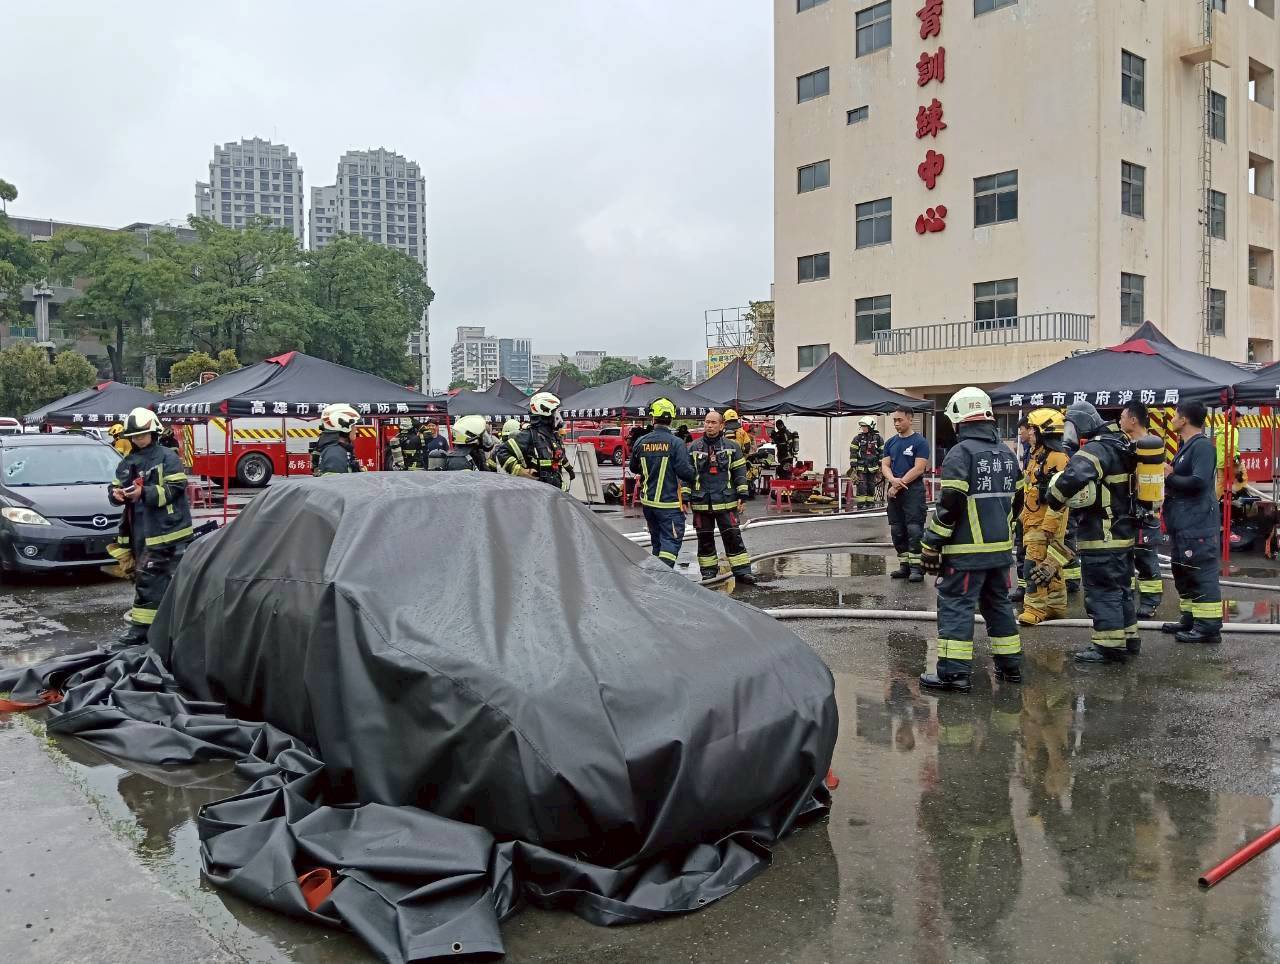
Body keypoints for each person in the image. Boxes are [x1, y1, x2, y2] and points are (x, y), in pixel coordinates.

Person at [918, 388, 1022, 692]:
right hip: (999, 552)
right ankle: (1011, 666)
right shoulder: (1006, 454)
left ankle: (953, 673)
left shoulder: (960, 454)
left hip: (965, 554)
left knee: (956, 606)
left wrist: (932, 541)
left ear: (959, 420)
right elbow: (1018, 502)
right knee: (998, 605)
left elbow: (950, 503)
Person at [1033, 401, 1139, 664]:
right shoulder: (1121, 443)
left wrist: (1053, 498)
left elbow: (1072, 478)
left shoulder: (1096, 449)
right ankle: (1128, 639)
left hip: (1101, 535)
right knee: (1122, 589)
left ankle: (1108, 646)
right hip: (1123, 534)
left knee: (1103, 590)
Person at [107, 407, 194, 646]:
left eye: (142, 435)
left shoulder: (167, 457)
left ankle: (143, 631)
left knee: (155, 580)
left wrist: (143, 493)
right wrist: (116, 495)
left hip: (169, 532)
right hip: (141, 533)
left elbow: (175, 489)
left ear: (154, 433)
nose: (137, 440)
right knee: (147, 580)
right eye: (134, 436)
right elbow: (114, 490)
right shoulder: (127, 463)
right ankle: (158, 630)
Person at [1161, 400, 1223, 644]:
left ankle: (1208, 628)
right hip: (1183, 524)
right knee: (1183, 570)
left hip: (1198, 524)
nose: (1173, 418)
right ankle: (1190, 618)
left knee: (1200, 571)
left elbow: (1198, 482)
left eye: (1176, 415)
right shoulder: (1186, 446)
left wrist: (1171, 475)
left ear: (1184, 419)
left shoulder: (1202, 447)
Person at [683, 409, 755, 583]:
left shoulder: (732, 447)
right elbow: (687, 475)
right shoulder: (693, 448)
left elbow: (739, 472)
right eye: (707, 422)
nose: (709, 425)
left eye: (713, 422)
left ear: (722, 425)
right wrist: (685, 497)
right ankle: (708, 572)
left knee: (733, 537)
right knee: (705, 539)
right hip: (702, 503)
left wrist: (742, 495)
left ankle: (742, 571)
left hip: (726, 501)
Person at [1015, 408, 1071, 625]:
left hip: (1046, 522)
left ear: (1041, 431)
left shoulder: (1058, 458)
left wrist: (1048, 526)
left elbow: (1061, 498)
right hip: (1033, 520)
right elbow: (1031, 490)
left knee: (1035, 565)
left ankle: (1034, 609)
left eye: (1030, 428)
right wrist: (1020, 518)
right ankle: (1055, 605)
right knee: (1049, 565)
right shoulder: (1038, 456)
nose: (1027, 432)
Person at [628, 397, 694, 568]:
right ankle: (663, 578)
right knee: (670, 542)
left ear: (653, 418)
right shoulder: (676, 443)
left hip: (648, 503)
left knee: (657, 541)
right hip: (669, 503)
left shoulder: (641, 441)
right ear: (671, 418)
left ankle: (656, 574)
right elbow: (685, 472)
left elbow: (634, 468)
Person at [1119, 400, 1164, 618]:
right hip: (1126, 512)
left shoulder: (1150, 446)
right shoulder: (1125, 444)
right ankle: (1126, 599)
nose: (1120, 421)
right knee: (1125, 559)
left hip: (1145, 513)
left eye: (1122, 417)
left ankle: (1150, 603)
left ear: (1133, 420)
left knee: (1146, 560)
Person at [881, 407, 930, 582]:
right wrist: (892, 480)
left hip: (912, 491)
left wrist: (898, 484)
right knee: (897, 529)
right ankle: (904, 565)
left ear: (910, 419)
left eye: (900, 420)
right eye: (894, 420)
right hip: (895, 490)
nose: (896, 423)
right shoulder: (890, 443)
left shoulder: (920, 442)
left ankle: (917, 568)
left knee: (914, 529)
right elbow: (885, 465)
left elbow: (918, 468)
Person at [501, 392, 575, 490]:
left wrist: (569, 469)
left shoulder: (553, 436)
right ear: (545, 412)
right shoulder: (528, 436)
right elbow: (502, 452)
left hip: (556, 492)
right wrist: (521, 471)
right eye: (555, 412)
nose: (558, 417)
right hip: (537, 495)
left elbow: (560, 456)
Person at [1011, 416, 1034, 603]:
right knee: (1021, 547)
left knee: (1032, 550)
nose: (1021, 434)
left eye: (1023, 430)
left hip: (1037, 509)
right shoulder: (1028, 450)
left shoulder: (1051, 454)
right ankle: (1022, 586)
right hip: (1025, 507)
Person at [427, 414, 497, 471]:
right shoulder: (459, 462)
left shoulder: (474, 453)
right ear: (471, 436)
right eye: (482, 435)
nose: (484, 438)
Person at [314, 403, 363, 475]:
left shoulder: (334, 449)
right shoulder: (335, 455)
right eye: (353, 425)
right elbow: (337, 484)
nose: (355, 428)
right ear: (343, 426)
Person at [850, 416, 884, 509]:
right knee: (861, 486)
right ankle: (860, 506)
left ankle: (870, 505)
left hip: (873, 468)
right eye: (862, 427)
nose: (863, 428)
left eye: (865, 426)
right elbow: (853, 452)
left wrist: (881, 466)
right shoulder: (858, 438)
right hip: (861, 468)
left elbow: (882, 452)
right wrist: (853, 466)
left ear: (871, 427)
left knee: (871, 486)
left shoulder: (878, 438)